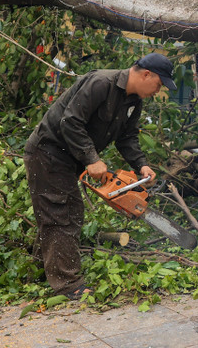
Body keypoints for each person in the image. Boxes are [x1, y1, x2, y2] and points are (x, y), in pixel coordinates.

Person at [23, 53, 177, 298]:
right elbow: (70, 121)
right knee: (62, 214)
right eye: (159, 84)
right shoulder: (101, 83)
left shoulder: (134, 101)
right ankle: (67, 285)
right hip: (48, 152)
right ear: (147, 74)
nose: (158, 91)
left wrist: (142, 166)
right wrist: (92, 159)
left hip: (70, 158)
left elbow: (127, 137)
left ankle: (39, 270)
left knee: (61, 213)